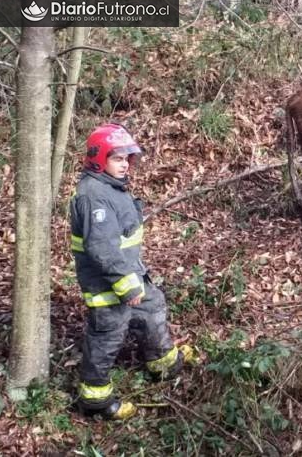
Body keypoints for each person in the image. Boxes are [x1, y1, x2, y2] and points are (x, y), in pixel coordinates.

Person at [70, 123, 195, 420]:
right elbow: (102, 248)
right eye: (117, 158)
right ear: (99, 159)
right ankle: (96, 401)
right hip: (107, 286)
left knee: (153, 305)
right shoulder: (93, 196)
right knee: (107, 338)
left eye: (127, 159)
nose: (125, 164)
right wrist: (127, 286)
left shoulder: (109, 187)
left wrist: (136, 281)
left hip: (131, 274)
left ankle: (163, 363)